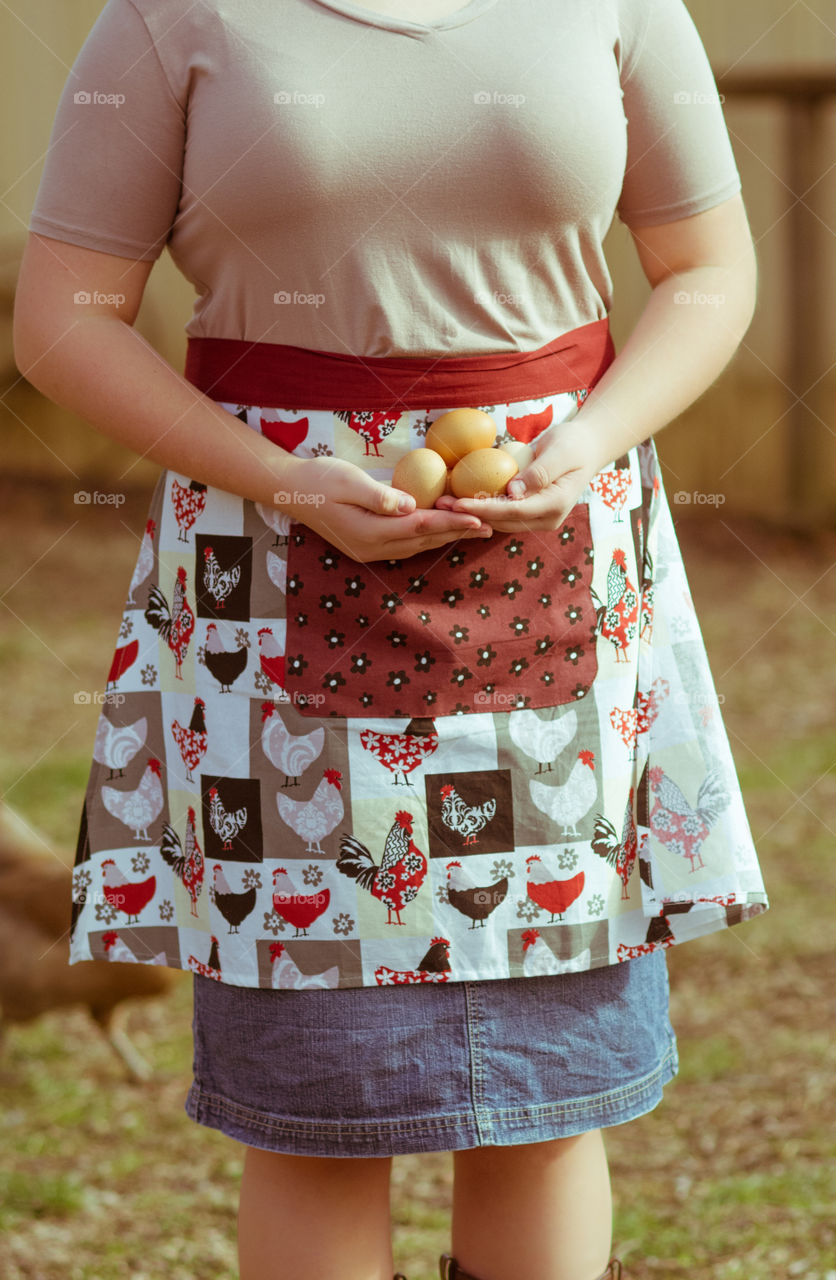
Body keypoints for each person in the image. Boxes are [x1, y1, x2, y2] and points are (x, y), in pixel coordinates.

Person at [13, 0, 769, 1277]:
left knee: (548, 1095)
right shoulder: (173, 15)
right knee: (316, 1110)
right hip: (267, 565)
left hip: (560, 545)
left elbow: (709, 267)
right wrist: (287, 478)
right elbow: (62, 318)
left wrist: (585, 444)